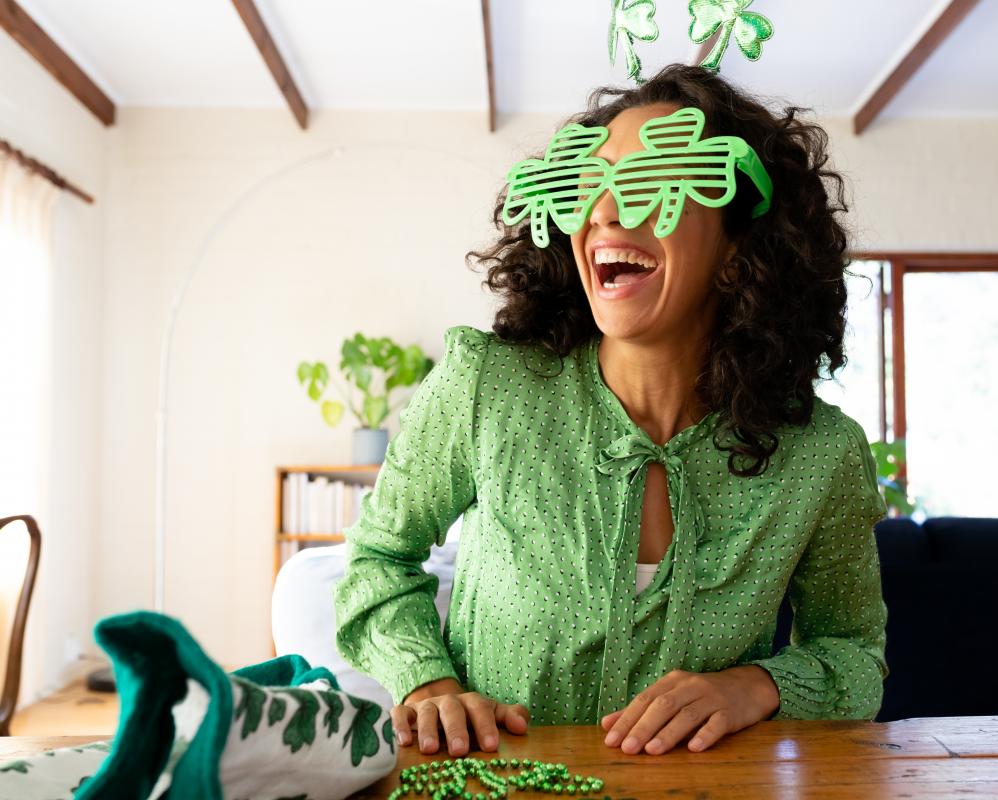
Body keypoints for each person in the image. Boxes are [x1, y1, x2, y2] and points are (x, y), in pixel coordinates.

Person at [333, 64, 887, 758]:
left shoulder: (821, 454)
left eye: (653, 184)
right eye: (586, 185)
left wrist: (757, 686)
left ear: (738, 249)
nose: (604, 212)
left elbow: (855, 654)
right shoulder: (485, 387)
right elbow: (377, 561)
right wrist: (427, 685)